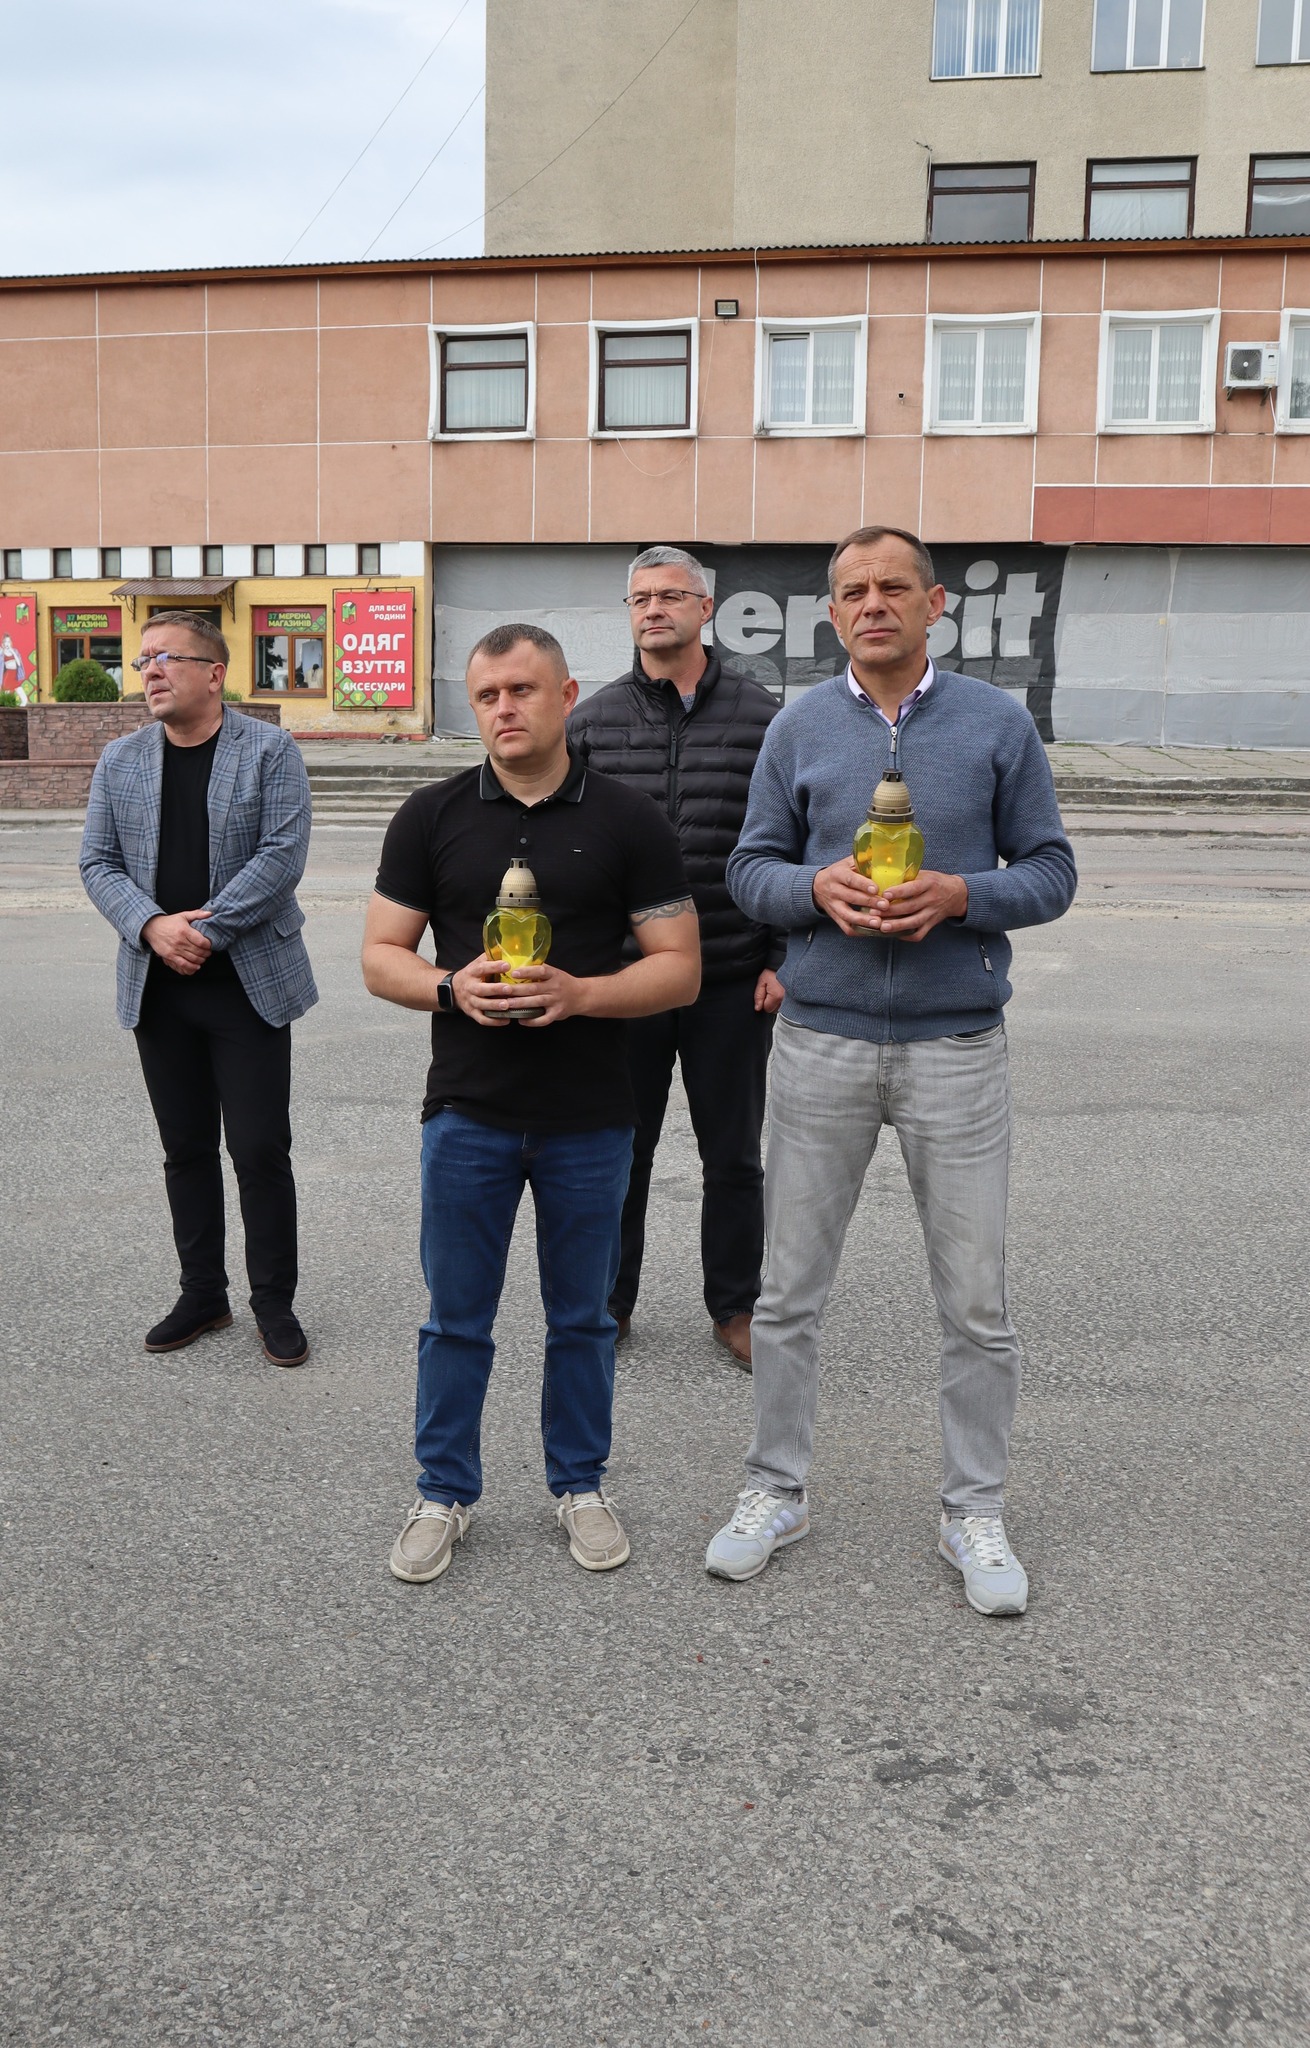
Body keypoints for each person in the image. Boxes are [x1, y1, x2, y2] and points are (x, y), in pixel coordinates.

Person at [705, 526, 1077, 1615]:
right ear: (833, 613)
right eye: (853, 591)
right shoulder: (798, 727)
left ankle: (973, 1508)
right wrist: (811, 890)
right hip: (818, 1040)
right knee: (786, 1294)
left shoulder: (996, 723)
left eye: (892, 588)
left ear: (932, 604)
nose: (872, 604)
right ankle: (776, 1488)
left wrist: (961, 895)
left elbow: (1051, 871)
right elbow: (747, 868)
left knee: (975, 1302)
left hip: (954, 1045)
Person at [362, 623, 700, 1586]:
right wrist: (448, 987)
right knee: (455, 1319)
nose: (504, 709)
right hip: (466, 1111)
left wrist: (582, 993)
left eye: (522, 690)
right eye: (487, 696)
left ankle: (579, 1485)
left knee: (583, 1319)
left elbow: (680, 970)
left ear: (565, 696)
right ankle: (443, 1493)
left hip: (591, 1116)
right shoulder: (429, 815)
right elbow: (380, 956)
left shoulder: (630, 819)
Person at [79, 609, 317, 1365]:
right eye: (142, 659)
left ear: (214, 674)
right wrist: (152, 926)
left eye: (166, 658)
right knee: (184, 1148)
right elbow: (97, 863)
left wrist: (206, 930)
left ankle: (273, 1302)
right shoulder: (121, 760)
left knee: (258, 1149)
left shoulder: (269, 750)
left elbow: (282, 855)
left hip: (246, 983)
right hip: (160, 986)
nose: (149, 670)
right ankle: (203, 1294)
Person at [567, 546, 782, 1368]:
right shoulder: (592, 723)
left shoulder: (763, 718)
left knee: (734, 1157)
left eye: (670, 596)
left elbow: (797, 844)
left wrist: (784, 957)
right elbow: (569, 849)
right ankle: (608, 1303)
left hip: (731, 976)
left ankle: (737, 1306)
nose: (653, 609)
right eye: (640, 599)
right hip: (628, 981)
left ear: (706, 608)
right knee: (619, 1151)